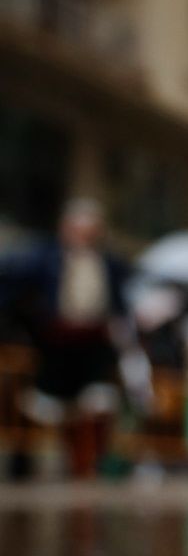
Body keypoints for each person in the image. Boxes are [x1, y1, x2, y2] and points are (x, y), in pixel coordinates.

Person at [0, 199, 134, 478]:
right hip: (54, 343)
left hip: (94, 343)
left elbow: (123, 302)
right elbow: (15, 288)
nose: (84, 236)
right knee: (40, 406)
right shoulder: (44, 258)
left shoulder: (109, 263)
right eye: (79, 230)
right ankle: (22, 466)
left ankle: (88, 464)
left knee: (96, 405)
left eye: (90, 231)